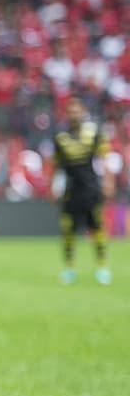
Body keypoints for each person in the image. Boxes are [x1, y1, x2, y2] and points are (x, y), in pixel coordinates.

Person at [52, 97, 113, 285]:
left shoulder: (93, 133)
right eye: (71, 111)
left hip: (91, 188)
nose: (74, 114)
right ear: (67, 114)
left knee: (98, 229)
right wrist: (53, 186)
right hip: (71, 191)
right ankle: (69, 269)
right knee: (68, 231)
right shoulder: (61, 138)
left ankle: (102, 267)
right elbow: (56, 166)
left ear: (83, 111)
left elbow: (103, 159)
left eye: (77, 110)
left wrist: (108, 181)